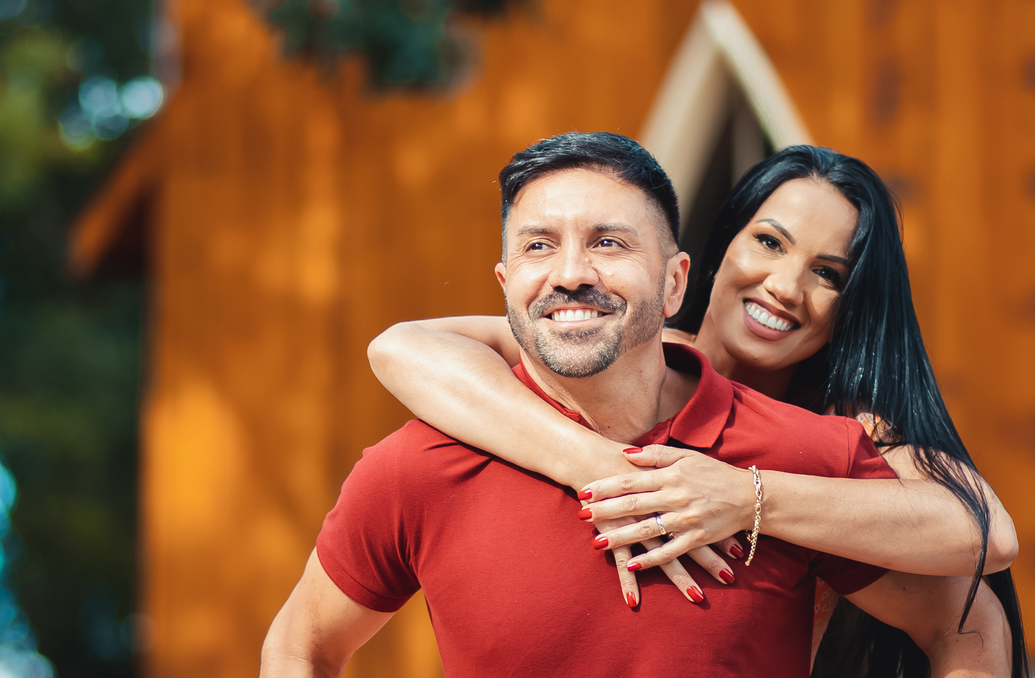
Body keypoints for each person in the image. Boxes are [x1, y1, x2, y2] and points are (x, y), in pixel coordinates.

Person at [261, 133, 1009, 678]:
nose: (784, 285)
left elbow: (982, 550)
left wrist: (742, 495)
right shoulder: (567, 344)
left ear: (672, 276)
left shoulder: (838, 439)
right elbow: (400, 349)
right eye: (771, 242)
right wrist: (615, 471)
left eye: (829, 273)